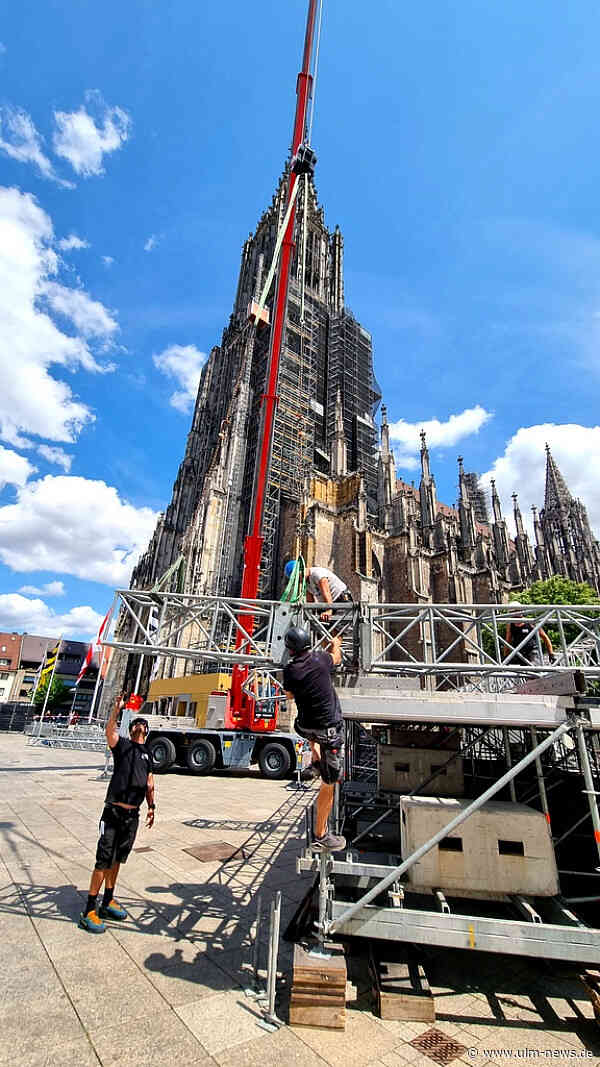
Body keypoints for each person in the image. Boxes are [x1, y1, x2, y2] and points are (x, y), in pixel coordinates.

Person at [78, 694, 155, 933]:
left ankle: (108, 900)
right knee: (103, 859)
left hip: (133, 816)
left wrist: (152, 807)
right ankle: (89, 909)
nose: (139, 726)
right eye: (136, 724)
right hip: (113, 812)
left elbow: (150, 784)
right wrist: (116, 710)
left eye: (143, 725)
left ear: (146, 732)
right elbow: (109, 731)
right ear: (131, 729)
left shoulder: (147, 755)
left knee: (118, 860)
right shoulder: (122, 746)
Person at [283, 626, 346, 852]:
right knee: (330, 784)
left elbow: (289, 695)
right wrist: (335, 643)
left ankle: (315, 759)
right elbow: (336, 659)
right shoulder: (321, 659)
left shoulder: (289, 670)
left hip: (304, 727)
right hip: (328, 730)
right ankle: (321, 835)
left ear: (290, 650)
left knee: (308, 726)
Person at [284, 561, 352, 622]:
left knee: (336, 632)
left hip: (340, 599)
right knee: (321, 630)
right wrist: (310, 614)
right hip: (328, 604)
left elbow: (326, 592)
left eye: (297, 578)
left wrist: (329, 610)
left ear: (300, 570)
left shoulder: (317, 574)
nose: (298, 581)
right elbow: (310, 601)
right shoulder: (306, 582)